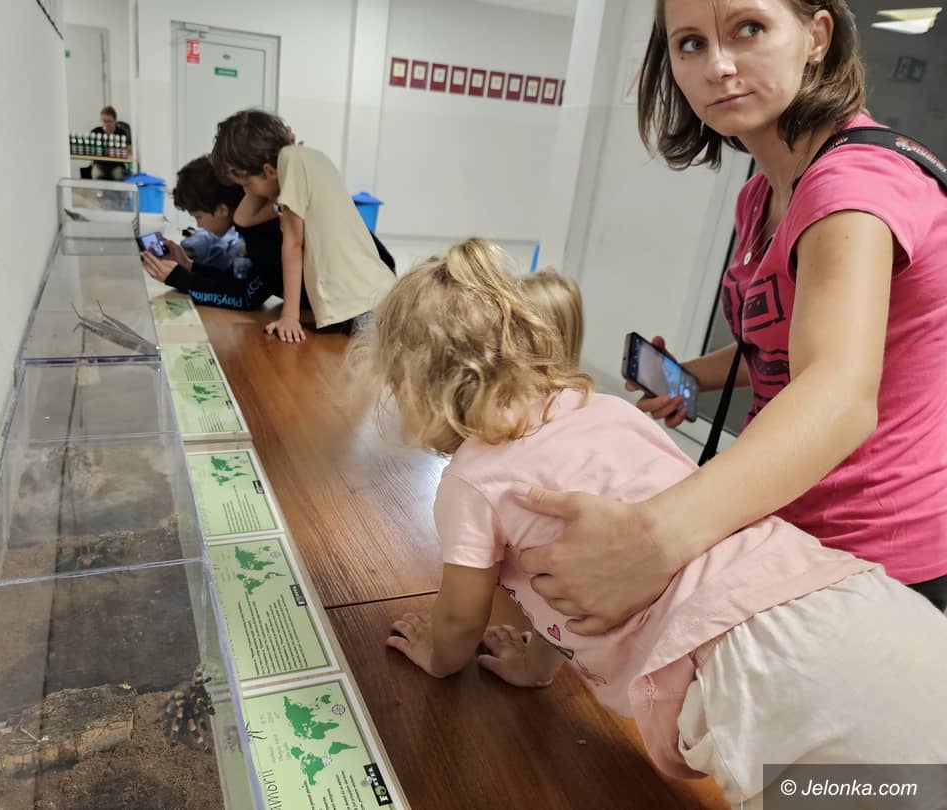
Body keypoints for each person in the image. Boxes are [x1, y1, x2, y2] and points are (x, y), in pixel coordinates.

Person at [359, 238, 947, 810]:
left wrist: (438, 656)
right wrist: (537, 666)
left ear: (415, 387)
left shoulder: (471, 481)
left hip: (763, 679)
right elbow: (571, 570)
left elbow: (461, 619)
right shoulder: (602, 408)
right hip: (852, 601)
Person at [517, 0, 947, 632]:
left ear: (816, 37)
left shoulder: (851, 188)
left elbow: (838, 394)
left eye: (749, 29)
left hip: (871, 550)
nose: (717, 66)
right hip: (781, 508)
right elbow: (780, 346)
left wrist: (651, 541)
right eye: (690, 43)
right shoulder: (761, 193)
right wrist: (689, 377)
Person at [211, 109, 395, 343]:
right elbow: (244, 218)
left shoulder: (291, 161)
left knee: (375, 361)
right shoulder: (308, 159)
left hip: (364, 304)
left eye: (247, 184)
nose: (247, 192)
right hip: (372, 296)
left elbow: (293, 245)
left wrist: (290, 317)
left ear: (268, 171)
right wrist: (265, 175)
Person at [140, 156, 301, 311]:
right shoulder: (251, 225)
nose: (199, 225)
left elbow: (246, 298)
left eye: (199, 217)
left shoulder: (264, 231)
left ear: (222, 210)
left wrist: (179, 278)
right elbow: (238, 280)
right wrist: (190, 266)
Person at [90, 105, 132, 181]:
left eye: (109, 121)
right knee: (96, 174)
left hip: (116, 165)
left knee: (119, 175)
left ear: (115, 121)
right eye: (103, 121)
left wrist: (120, 145)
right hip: (100, 165)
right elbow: (90, 150)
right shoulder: (95, 132)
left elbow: (129, 151)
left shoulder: (121, 133)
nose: (106, 123)